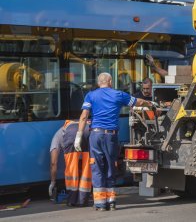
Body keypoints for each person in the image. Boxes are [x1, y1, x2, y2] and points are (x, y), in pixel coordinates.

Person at [74, 72, 152, 211]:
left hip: (95, 135)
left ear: (99, 83)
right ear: (110, 82)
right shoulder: (118, 94)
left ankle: (100, 204)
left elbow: (84, 115)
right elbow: (137, 102)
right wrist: (150, 103)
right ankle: (111, 202)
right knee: (110, 166)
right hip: (111, 136)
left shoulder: (91, 95)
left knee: (97, 167)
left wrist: (79, 136)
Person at [49, 120, 91, 206]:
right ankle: (83, 200)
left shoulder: (57, 136)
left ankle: (72, 200)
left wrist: (52, 182)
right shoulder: (81, 124)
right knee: (87, 168)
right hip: (88, 130)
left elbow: (54, 163)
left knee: (72, 169)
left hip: (72, 135)